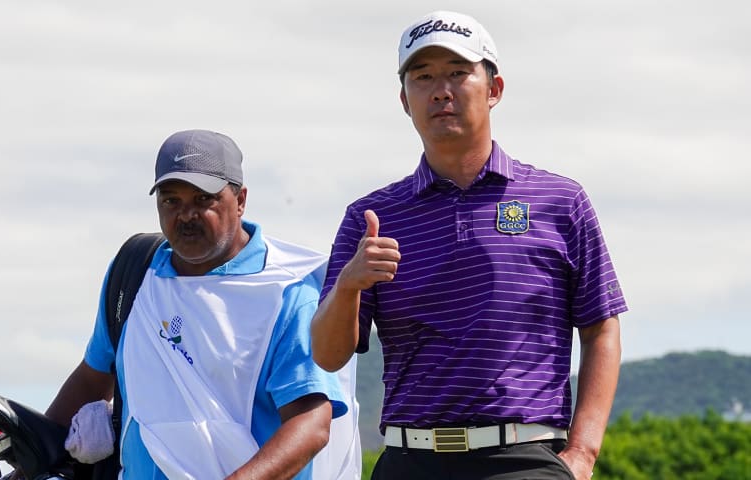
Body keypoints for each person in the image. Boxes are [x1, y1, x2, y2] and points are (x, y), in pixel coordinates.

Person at [311, 11, 627, 480]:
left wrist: (583, 453)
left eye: (458, 73)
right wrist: (349, 286)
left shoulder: (560, 201)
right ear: (404, 99)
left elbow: (601, 328)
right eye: (423, 77)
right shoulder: (371, 217)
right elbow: (328, 353)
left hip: (524, 458)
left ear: (494, 89)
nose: (441, 90)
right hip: (409, 459)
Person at [43, 129, 361, 479]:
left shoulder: (286, 292)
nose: (186, 215)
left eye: (202, 199)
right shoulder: (133, 274)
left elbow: (311, 423)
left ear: (240, 200)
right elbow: (92, 379)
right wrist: (30, 455)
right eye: (171, 201)